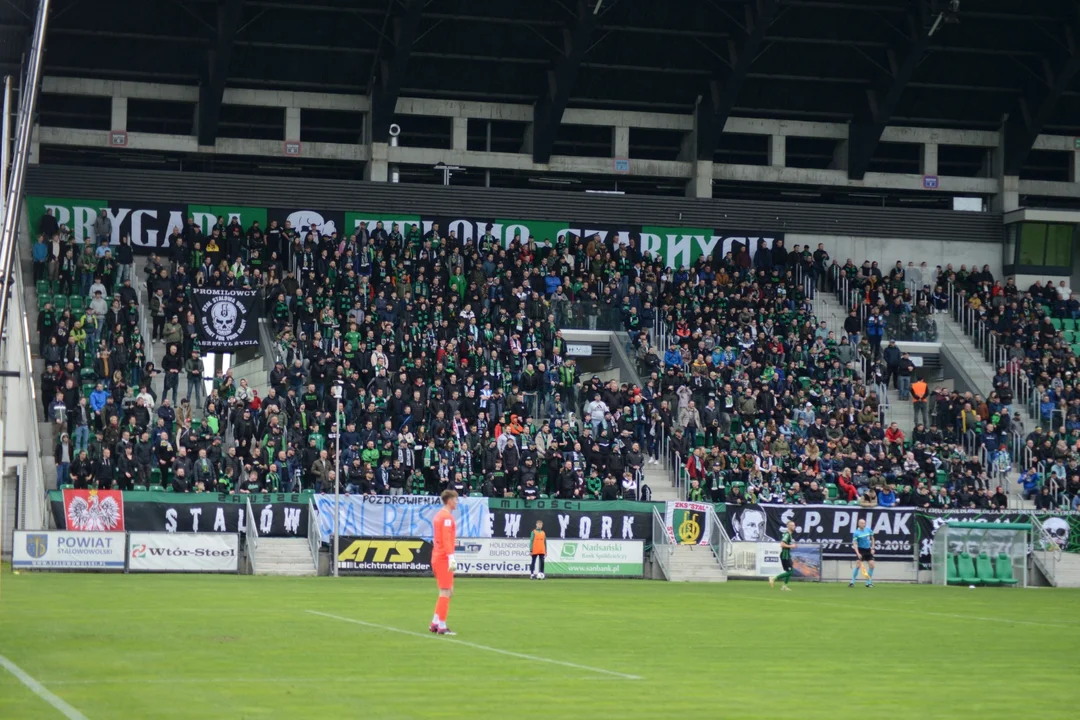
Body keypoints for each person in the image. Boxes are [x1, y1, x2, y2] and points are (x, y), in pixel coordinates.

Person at [429, 489, 458, 635]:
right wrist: (451, 556)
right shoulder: (446, 517)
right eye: (455, 500)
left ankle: (435, 622)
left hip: (438, 556)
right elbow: (446, 539)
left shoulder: (439, 515)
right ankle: (442, 625)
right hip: (443, 558)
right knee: (446, 591)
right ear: (450, 501)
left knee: (448, 591)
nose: (457, 502)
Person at [769, 520, 797, 591]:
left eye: (794, 525)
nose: (794, 526)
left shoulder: (789, 535)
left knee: (790, 571)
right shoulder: (787, 534)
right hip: (785, 555)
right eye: (793, 525)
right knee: (790, 572)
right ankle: (773, 578)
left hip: (787, 555)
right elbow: (782, 544)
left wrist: (791, 546)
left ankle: (784, 586)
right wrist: (791, 546)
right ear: (789, 526)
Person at [850, 517, 875, 588]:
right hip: (861, 550)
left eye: (864, 523)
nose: (864, 524)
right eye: (862, 523)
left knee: (872, 565)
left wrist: (873, 548)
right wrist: (858, 553)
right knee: (858, 565)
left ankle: (868, 582)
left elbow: (872, 538)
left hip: (868, 550)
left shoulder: (868, 530)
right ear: (859, 524)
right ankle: (852, 582)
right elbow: (854, 544)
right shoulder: (856, 533)